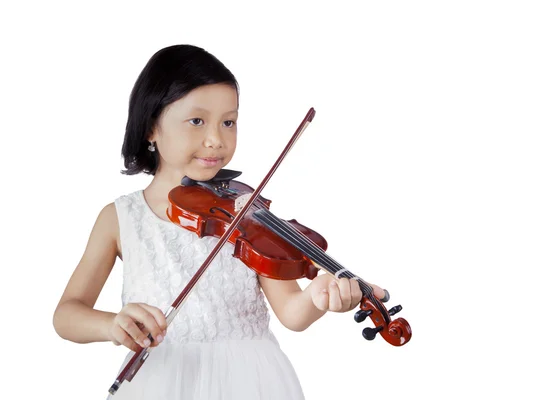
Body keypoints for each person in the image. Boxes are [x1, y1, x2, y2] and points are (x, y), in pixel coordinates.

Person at [52, 44, 386, 400]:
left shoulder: (246, 213)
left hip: (252, 382)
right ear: (151, 128)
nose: (216, 139)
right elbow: (67, 314)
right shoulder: (120, 218)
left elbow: (291, 312)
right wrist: (111, 324)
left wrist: (318, 296)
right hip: (162, 383)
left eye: (228, 122)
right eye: (197, 121)